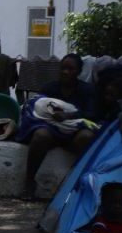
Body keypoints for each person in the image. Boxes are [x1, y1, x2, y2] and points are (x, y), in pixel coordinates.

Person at [21, 53, 98, 200]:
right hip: (52, 131)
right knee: (40, 135)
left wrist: (69, 116)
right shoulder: (50, 88)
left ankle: (81, 183)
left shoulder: (87, 90)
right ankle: (29, 182)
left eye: (70, 69)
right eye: (63, 68)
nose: (65, 72)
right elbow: (37, 107)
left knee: (86, 136)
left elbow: (92, 114)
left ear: (79, 71)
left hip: (74, 134)